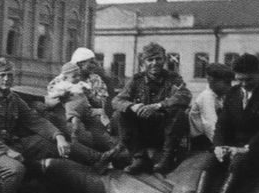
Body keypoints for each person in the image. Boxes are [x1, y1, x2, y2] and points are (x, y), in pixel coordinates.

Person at [0, 59, 117, 193]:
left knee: (50, 143)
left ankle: (98, 158)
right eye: (2, 75)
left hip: (11, 145)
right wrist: (7, 152)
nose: (6, 79)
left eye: (10, 75)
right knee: (15, 169)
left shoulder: (13, 99)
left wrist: (59, 136)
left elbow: (35, 121)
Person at [181, 53, 259, 193]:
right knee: (211, 162)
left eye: (249, 79)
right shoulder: (233, 92)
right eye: (240, 80)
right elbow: (222, 125)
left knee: (239, 161)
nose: (244, 84)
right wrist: (218, 146)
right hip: (232, 146)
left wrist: (247, 148)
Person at [112, 42, 191, 174]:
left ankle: (167, 158)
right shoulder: (136, 80)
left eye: (158, 59)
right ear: (143, 62)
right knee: (119, 114)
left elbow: (185, 95)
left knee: (179, 113)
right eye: (150, 60)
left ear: (164, 60)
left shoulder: (173, 78)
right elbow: (116, 101)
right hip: (141, 133)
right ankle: (139, 157)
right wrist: (133, 106)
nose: (155, 63)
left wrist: (159, 106)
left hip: (164, 132)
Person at [49, 61, 115, 152]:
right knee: (75, 124)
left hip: (86, 109)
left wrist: (88, 91)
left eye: (78, 75)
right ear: (65, 77)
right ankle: (75, 141)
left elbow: (89, 91)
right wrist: (63, 93)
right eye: (74, 76)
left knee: (100, 112)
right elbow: (52, 95)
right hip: (74, 111)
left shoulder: (80, 83)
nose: (77, 78)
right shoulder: (63, 85)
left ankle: (109, 126)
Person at [188, 62, 234, 151]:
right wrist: (222, 147)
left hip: (213, 138)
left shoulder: (220, 96)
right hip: (203, 142)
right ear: (211, 80)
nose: (229, 86)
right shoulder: (207, 97)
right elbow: (210, 125)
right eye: (226, 83)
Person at [69, 47, 116, 124]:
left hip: (91, 116)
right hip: (69, 114)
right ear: (80, 63)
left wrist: (89, 95)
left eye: (94, 63)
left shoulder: (96, 79)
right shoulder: (65, 77)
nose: (94, 65)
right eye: (91, 62)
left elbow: (102, 104)